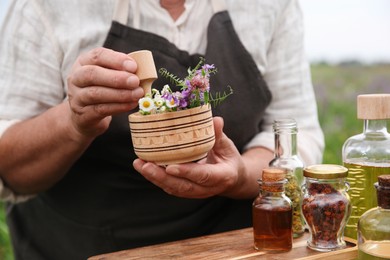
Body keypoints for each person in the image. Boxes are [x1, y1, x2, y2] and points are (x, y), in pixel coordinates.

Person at [0, 0, 324, 259]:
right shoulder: (46, 6)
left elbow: (297, 133)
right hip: (85, 245)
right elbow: (10, 167)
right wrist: (73, 121)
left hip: (230, 247)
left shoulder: (270, 6)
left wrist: (240, 175)